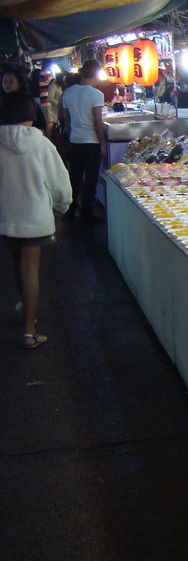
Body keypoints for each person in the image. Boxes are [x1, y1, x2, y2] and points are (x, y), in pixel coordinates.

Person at [0, 92, 73, 349]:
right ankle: (30, 332)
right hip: (34, 217)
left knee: (17, 264)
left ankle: (26, 309)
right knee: (30, 268)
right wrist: (62, 206)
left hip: (6, 216)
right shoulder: (41, 144)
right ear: (31, 114)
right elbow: (60, 182)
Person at [60, 59, 105, 223]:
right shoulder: (96, 94)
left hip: (75, 141)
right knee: (91, 179)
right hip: (91, 141)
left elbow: (66, 119)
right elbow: (98, 122)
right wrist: (102, 143)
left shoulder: (68, 93)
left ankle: (70, 211)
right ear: (96, 74)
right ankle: (87, 213)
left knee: (75, 177)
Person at [2, 67, 46, 133]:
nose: (7, 84)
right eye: (5, 81)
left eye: (11, 81)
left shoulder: (27, 102)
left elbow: (39, 123)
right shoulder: (2, 101)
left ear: (19, 84)